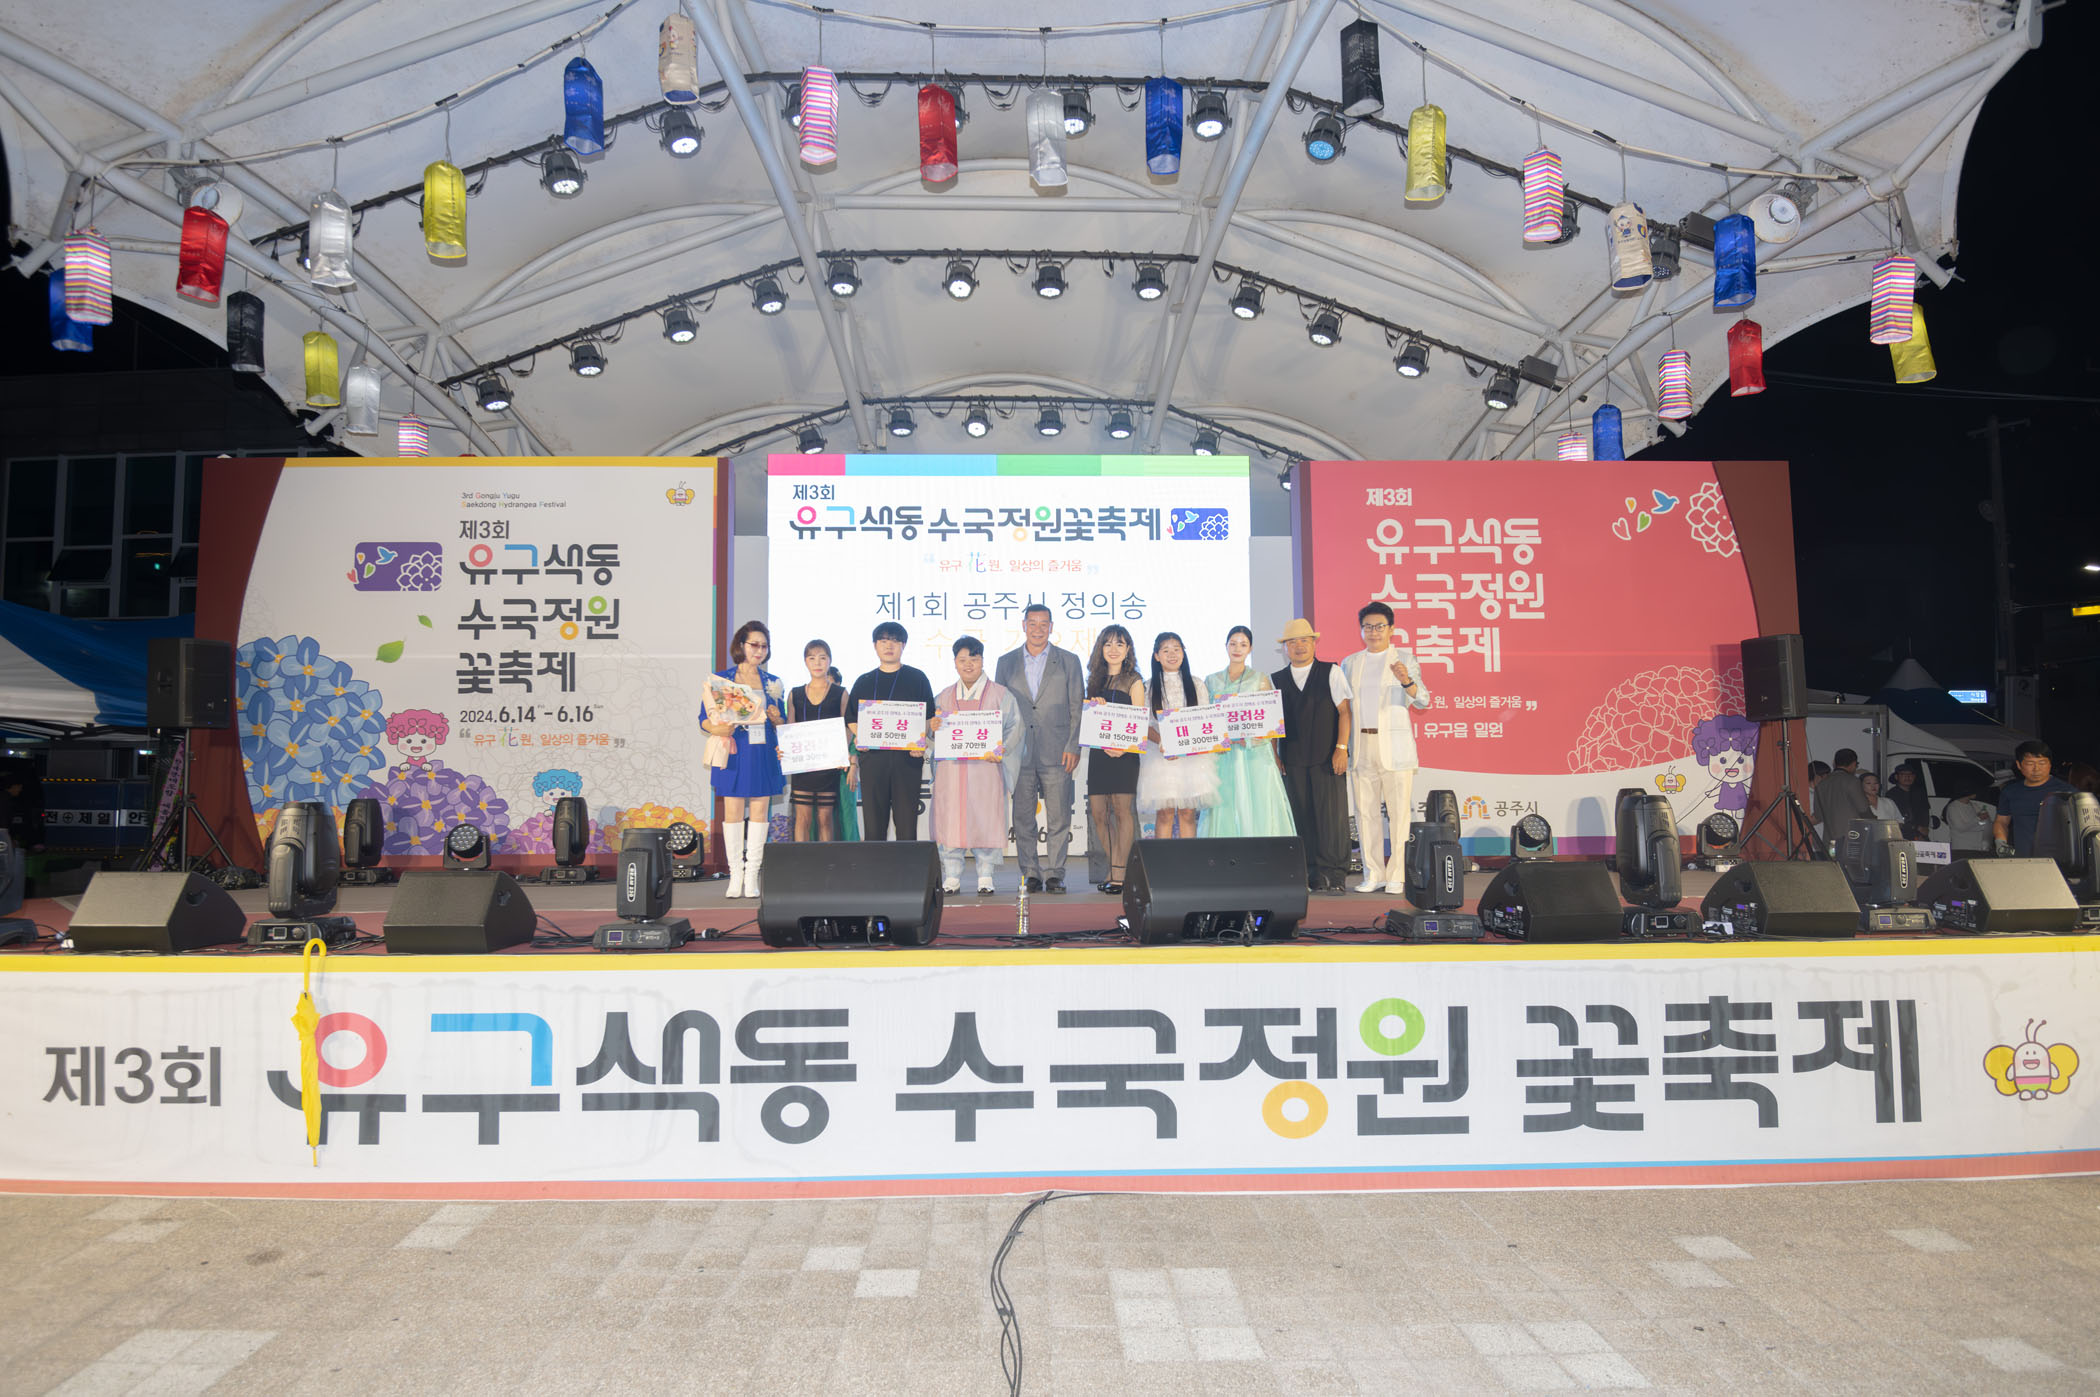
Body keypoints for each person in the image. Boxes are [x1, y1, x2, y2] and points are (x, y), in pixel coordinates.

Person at [1338, 602, 1432, 892]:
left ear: (1391, 629)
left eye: (1380, 626)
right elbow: (1344, 708)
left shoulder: (1404, 658)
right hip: (1361, 745)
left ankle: (1396, 875)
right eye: (1367, 626)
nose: (1373, 632)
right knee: (1365, 814)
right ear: (1361, 630)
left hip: (1394, 747)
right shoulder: (1350, 663)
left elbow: (1423, 700)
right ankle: (1373, 874)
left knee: (1399, 814)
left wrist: (1406, 680)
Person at [995, 603, 1084, 894]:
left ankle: (1055, 873)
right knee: (1023, 816)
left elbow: (1076, 707)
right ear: (1023, 626)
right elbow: (1000, 710)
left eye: (1043, 623)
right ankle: (1031, 872)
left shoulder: (1069, 661)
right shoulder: (1006, 662)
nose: (1037, 629)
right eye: (1032, 623)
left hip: (1058, 750)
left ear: (1051, 627)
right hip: (1018, 751)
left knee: (1059, 816)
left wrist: (1073, 745)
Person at [929, 636, 1027, 894]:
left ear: (983, 660)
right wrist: (932, 726)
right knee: (951, 821)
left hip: (986, 771)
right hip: (952, 773)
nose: (968, 664)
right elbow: (929, 732)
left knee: (986, 818)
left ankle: (985, 875)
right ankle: (952, 875)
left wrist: (1002, 749)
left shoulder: (1000, 695)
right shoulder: (943, 697)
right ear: (954, 663)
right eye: (962, 659)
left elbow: (1016, 727)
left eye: (974, 658)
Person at [700, 620, 785, 898]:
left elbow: (782, 723)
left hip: (763, 751)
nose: (759, 651)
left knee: (760, 812)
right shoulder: (721, 680)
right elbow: (704, 719)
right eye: (754, 645)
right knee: (733, 812)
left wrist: (777, 718)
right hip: (734, 750)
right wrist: (717, 729)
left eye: (764, 646)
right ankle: (735, 875)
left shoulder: (773, 683)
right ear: (741, 646)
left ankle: (752, 876)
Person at [1272, 618, 1353, 893]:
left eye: (1304, 640)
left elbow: (1344, 712)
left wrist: (1341, 749)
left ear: (1314, 643)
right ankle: (1308, 874)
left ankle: (1335, 874)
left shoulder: (1332, 672)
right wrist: (1275, 755)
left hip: (1327, 758)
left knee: (1332, 818)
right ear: (1285, 648)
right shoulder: (1275, 680)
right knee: (1300, 817)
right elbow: (1272, 724)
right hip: (1292, 760)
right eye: (1292, 642)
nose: (1299, 646)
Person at [845, 622, 938, 841]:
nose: (889, 646)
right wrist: (861, 736)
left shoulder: (917, 678)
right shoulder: (864, 681)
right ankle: (875, 864)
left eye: (895, 641)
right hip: (873, 760)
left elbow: (928, 716)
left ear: (903, 645)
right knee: (873, 825)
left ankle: (906, 865)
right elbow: (851, 718)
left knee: (906, 824)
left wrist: (920, 740)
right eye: (884, 640)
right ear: (875, 645)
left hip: (907, 761)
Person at [1202, 627, 1296, 839]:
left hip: (1254, 754)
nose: (1237, 649)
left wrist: (1255, 741)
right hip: (1223, 755)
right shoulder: (1212, 680)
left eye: (1243, 644)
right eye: (1233, 644)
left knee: (1258, 803)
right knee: (1225, 804)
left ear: (1250, 648)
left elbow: (1270, 721)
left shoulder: (1260, 679)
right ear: (1226, 646)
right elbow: (1206, 717)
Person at [1137, 632, 1219, 838]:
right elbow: (1143, 724)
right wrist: (1162, 742)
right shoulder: (1147, 687)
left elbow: (1204, 720)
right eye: (1166, 650)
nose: (1172, 654)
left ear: (1183, 653)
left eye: (1177, 649)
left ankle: (1188, 858)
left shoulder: (1197, 684)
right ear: (1157, 656)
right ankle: (1163, 858)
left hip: (1192, 760)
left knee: (1187, 812)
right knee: (1164, 813)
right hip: (1160, 758)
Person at [1085, 625, 1146, 893]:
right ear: (1101, 648)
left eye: (1119, 644)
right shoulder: (1093, 681)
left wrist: (1124, 748)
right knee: (1098, 813)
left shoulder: (1134, 681)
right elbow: (1090, 721)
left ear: (1128, 649)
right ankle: (1116, 867)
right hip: (1099, 754)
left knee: (1122, 812)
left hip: (1125, 755)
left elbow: (1140, 722)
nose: (1113, 649)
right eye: (1108, 644)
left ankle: (1119, 874)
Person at [787, 640, 852, 844]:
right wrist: (785, 750)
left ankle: (826, 860)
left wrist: (842, 752)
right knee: (803, 818)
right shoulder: (795, 694)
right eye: (812, 658)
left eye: (822, 658)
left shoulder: (841, 693)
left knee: (825, 818)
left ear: (829, 661)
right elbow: (789, 730)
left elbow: (848, 727)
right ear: (805, 662)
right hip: (803, 765)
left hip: (828, 765)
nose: (817, 663)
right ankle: (801, 860)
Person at [1994, 739, 2075, 856]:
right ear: (2019, 765)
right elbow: (2001, 821)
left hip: (2058, 860)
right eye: (2030, 763)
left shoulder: (2067, 792)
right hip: (2024, 859)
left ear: (2050, 764)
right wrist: (2000, 842)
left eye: (2042, 763)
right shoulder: (2010, 792)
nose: (2036, 769)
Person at [1812, 748, 1873, 847]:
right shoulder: (1852, 781)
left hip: (1829, 840)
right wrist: (1874, 821)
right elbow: (1863, 809)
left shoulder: (1821, 785)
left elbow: (1818, 815)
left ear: (1834, 763)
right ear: (1853, 764)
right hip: (1851, 839)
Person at [1943, 781, 1996, 856]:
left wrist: (1986, 820)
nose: (1976, 793)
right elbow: (1961, 828)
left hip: (1977, 848)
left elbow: (1982, 824)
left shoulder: (1974, 805)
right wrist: (1978, 818)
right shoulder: (1953, 807)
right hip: (1962, 849)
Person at [1885, 762, 1931, 842]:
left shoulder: (1919, 793)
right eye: (1903, 774)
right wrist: (1917, 828)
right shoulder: (1891, 794)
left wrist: (1922, 832)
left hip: (1920, 835)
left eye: (1910, 774)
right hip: (1901, 834)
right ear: (1896, 777)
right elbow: (1895, 819)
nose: (1907, 777)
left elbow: (1924, 813)